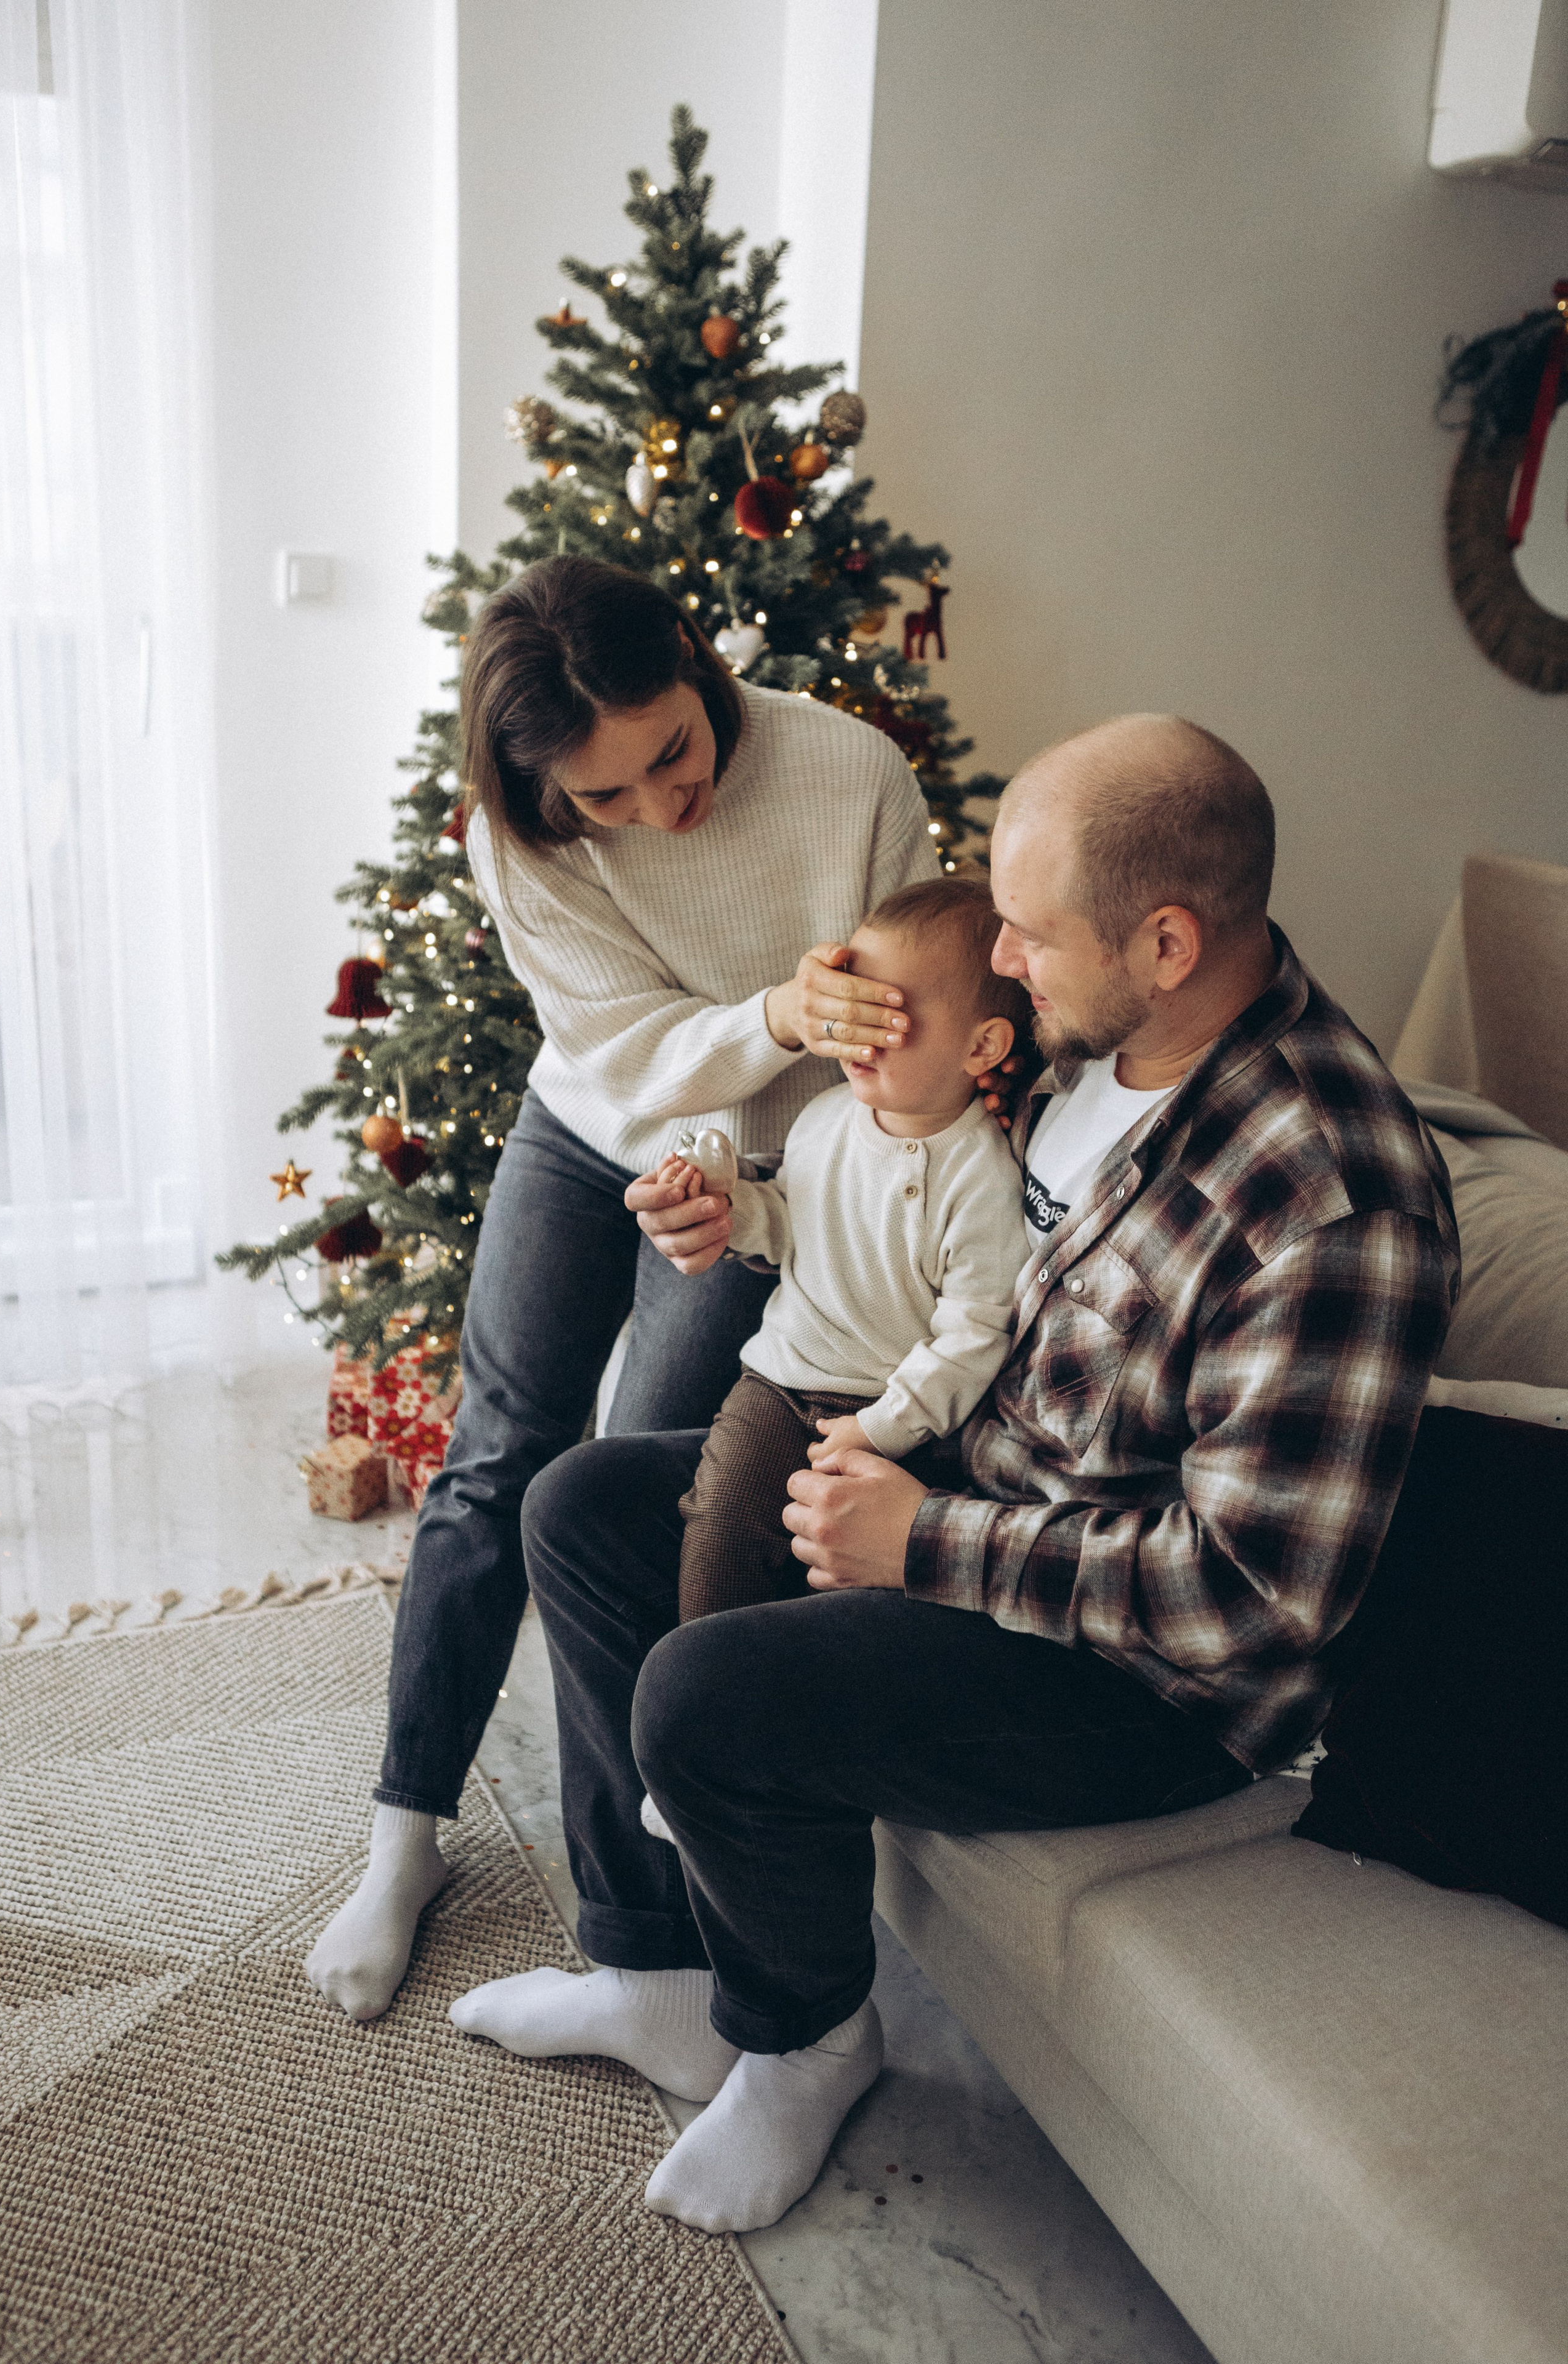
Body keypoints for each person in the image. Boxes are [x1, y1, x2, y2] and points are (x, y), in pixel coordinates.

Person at [447, 714, 1460, 2238]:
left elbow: (1256, 1600)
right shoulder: (1081, 1054)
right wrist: (758, 1235)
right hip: (976, 1491)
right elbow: (932, 1230)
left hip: (1137, 1683)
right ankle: (655, 1966)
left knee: (704, 1699)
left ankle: (805, 2038)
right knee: (581, 1510)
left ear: (1167, 939)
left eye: (1027, 928)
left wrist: (926, 1541)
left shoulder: (1326, 1195)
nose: (996, 950)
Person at [305, 553, 966, 2022]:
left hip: (764, 1154)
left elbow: (881, 1058)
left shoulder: (849, 774)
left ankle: (641, 1934)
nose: (658, 804)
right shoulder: (522, 826)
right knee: (497, 1452)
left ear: (692, 652)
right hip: (588, 1114)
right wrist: (768, 1013)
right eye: (605, 798)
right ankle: (402, 1833)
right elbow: (608, 1044)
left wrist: (748, 1187)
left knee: (632, 1509)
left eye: (669, 750)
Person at [657, 877, 1032, 1633]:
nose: (855, 1036)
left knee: (837, 1597)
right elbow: (791, 1226)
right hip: (779, 1382)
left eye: (887, 1016)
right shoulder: (826, 1118)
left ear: (982, 1045)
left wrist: (884, 1426)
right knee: (720, 1537)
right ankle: (701, 1682)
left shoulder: (982, 1175)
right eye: (850, 1007)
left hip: (892, 1413)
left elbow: (973, 1336)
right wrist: (728, 1209)